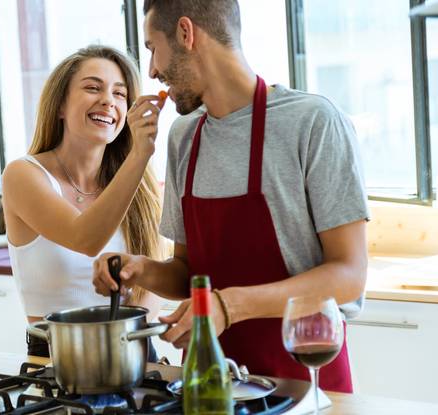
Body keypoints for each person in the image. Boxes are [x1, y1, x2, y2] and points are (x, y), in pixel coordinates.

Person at [92, 0, 369, 393]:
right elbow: (188, 273)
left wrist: (229, 306)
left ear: (186, 33)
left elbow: (349, 276)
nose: (152, 70)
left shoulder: (313, 122)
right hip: (210, 384)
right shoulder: (184, 136)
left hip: (303, 381)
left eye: (153, 48)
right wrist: (141, 270)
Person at [2, 45, 167, 361]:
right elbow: (85, 239)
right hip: (57, 363)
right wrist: (140, 153)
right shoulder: (23, 175)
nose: (108, 100)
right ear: (61, 105)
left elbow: (151, 290)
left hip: (133, 356)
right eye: (93, 88)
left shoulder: (141, 189)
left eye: (120, 94)